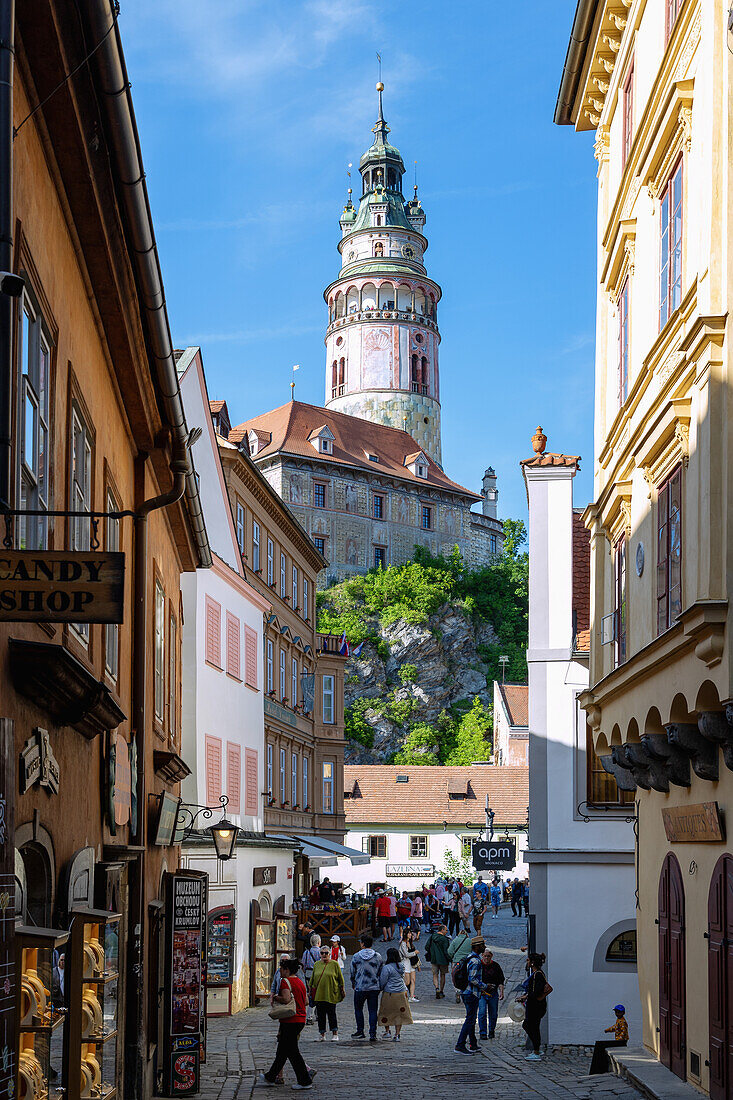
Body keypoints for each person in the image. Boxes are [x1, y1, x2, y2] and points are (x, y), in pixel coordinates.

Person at [259, 959, 315, 1090]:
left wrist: (276, 998)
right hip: (299, 1019)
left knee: (293, 1052)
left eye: (282, 969)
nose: (280, 972)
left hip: (290, 1020)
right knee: (282, 1051)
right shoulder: (300, 982)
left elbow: (286, 999)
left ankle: (304, 1080)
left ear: (287, 970)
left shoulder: (286, 981)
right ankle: (271, 1077)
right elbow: (306, 1001)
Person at [454, 936, 490, 1055]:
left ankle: (473, 1044)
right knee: (470, 1019)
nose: (484, 948)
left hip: (467, 992)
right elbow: (472, 979)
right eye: (482, 945)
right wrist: (485, 986)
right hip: (471, 993)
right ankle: (460, 1045)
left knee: (471, 1019)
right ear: (477, 946)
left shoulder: (470, 957)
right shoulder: (475, 961)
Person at [349, 933, 383, 1042]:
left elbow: (352, 971)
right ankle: (372, 1033)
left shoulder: (356, 956)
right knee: (372, 1010)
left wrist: (353, 982)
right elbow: (380, 971)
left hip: (360, 986)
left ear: (363, 944)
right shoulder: (377, 956)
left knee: (358, 1009)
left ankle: (360, 1030)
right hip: (373, 986)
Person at [519, 952, 551, 1060]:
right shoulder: (537, 973)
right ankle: (537, 1049)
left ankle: (536, 1051)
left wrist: (525, 997)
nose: (527, 963)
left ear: (532, 963)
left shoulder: (537, 975)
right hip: (536, 1006)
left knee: (530, 1026)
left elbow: (536, 992)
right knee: (532, 1027)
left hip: (535, 1006)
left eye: (528, 960)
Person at [310, 944, 345, 1042]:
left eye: (326, 953)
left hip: (331, 993)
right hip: (319, 994)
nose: (324, 955)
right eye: (322, 953)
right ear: (320, 954)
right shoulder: (317, 964)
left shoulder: (334, 964)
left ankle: (335, 1033)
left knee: (332, 1014)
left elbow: (340, 979)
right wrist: (310, 992)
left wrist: (342, 990)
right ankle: (322, 1034)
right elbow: (312, 980)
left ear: (329, 954)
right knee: (320, 1015)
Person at [378, 947, 413, 1041]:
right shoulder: (401, 966)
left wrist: (380, 988)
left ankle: (387, 1031)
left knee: (386, 1012)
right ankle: (397, 1034)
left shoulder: (386, 968)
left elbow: (383, 980)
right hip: (401, 992)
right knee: (399, 1014)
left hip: (389, 993)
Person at [589, 1005, 629, 1074]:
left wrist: (620, 1039)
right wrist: (608, 1030)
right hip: (618, 1040)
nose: (617, 1014)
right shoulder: (618, 1020)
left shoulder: (623, 1022)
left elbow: (623, 1031)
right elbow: (615, 1027)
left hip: (621, 1040)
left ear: (623, 1013)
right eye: (616, 1012)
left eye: (618, 1012)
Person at [478, 948, 505, 1040]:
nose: (486, 958)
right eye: (485, 956)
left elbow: (501, 980)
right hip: (481, 993)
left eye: (488, 956)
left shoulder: (496, 966)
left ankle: (491, 1030)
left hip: (493, 993)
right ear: (482, 956)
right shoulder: (479, 965)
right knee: (482, 1013)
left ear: (491, 956)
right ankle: (483, 1032)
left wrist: (501, 992)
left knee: (493, 1013)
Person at [424, 923, 450, 998]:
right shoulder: (445, 939)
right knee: (443, 975)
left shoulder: (432, 937)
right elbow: (446, 951)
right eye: (446, 930)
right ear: (442, 930)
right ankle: (441, 991)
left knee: (435, 975)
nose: (447, 932)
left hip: (434, 959)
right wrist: (450, 959)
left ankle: (437, 988)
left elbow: (426, 947)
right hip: (443, 960)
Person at [447, 927, 472, 1004]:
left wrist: (453, 957)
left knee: (455, 977)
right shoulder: (470, 941)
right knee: (467, 976)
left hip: (456, 961)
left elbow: (449, 951)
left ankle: (457, 990)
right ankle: (465, 991)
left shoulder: (455, 940)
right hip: (467, 961)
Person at [300, 934, 321, 1024]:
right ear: (319, 942)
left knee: (311, 993)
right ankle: (314, 1015)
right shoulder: (321, 952)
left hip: (308, 974)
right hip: (318, 974)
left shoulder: (306, 952)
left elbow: (303, 965)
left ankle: (312, 1015)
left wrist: (305, 972)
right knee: (318, 994)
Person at [399, 926, 420, 1001]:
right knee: (407, 981)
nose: (410, 935)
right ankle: (403, 995)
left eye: (411, 933)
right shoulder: (403, 944)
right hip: (405, 963)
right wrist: (415, 952)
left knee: (413, 980)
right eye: (409, 933)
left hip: (411, 963)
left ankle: (411, 996)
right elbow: (406, 955)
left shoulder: (410, 943)